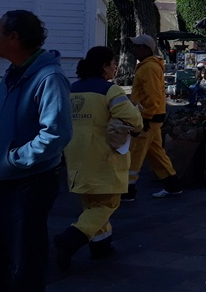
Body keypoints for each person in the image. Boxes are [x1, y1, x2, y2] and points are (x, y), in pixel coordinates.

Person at [0, 10, 72, 291]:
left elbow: (56, 134)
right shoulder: (13, 73)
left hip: (28, 184)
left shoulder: (49, 77)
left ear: (14, 37)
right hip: (1, 181)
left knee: (26, 259)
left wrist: (13, 159)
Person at [54, 46, 143, 270]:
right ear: (104, 67)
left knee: (90, 205)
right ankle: (70, 239)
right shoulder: (111, 91)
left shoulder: (72, 89)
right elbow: (133, 120)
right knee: (107, 203)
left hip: (76, 156)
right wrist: (137, 112)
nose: (115, 68)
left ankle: (101, 246)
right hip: (103, 157)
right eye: (113, 64)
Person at [125, 34, 182, 200]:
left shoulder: (148, 68)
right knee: (155, 153)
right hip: (153, 117)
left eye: (137, 46)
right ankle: (172, 185)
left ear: (146, 49)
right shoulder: (149, 66)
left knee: (135, 153)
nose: (134, 49)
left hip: (147, 118)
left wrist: (145, 117)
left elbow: (153, 95)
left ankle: (127, 190)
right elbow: (154, 95)